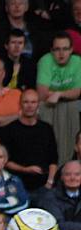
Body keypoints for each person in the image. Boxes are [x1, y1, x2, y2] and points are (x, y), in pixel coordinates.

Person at [0, 89, 58, 201]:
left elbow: (53, 159)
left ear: (38, 104)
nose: (29, 106)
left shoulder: (46, 129)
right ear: (20, 104)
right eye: (26, 102)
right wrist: (25, 169)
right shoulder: (9, 130)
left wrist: (49, 183)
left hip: (44, 187)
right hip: (16, 186)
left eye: (33, 102)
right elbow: (5, 161)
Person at [36, 32, 81, 164]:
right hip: (48, 106)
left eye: (65, 49)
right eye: (57, 49)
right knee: (43, 106)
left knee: (74, 105)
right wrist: (65, 93)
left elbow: (77, 92)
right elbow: (42, 93)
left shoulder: (78, 62)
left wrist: (59, 94)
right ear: (51, 50)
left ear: (71, 50)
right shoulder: (45, 61)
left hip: (73, 105)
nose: (61, 53)